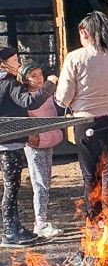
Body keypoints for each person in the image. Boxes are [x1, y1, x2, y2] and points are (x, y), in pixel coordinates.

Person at [55, 10, 108, 219]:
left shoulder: (74, 58)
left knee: (90, 175)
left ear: (85, 31)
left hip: (86, 120)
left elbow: (63, 98)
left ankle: (94, 220)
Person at [0, 48, 57, 247]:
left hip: (5, 141)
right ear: (3, 64)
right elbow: (30, 102)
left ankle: (15, 228)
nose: (18, 64)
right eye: (15, 60)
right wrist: (50, 84)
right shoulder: (9, 82)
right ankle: (10, 232)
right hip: (10, 143)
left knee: (11, 186)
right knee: (11, 187)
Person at [21, 63, 64, 240]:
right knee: (40, 183)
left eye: (40, 74)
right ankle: (40, 222)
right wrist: (31, 138)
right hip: (36, 145)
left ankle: (42, 219)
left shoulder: (48, 95)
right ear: (26, 80)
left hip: (49, 142)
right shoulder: (26, 98)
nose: (39, 78)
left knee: (45, 181)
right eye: (34, 76)